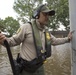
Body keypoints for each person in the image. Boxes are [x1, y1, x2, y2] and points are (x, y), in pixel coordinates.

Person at [0, 4, 72, 75]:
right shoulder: (26, 27)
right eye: (45, 14)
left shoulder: (46, 31)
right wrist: (3, 40)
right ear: (37, 15)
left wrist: (67, 39)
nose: (47, 17)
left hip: (40, 67)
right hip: (26, 69)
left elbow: (55, 41)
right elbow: (12, 42)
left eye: (48, 15)